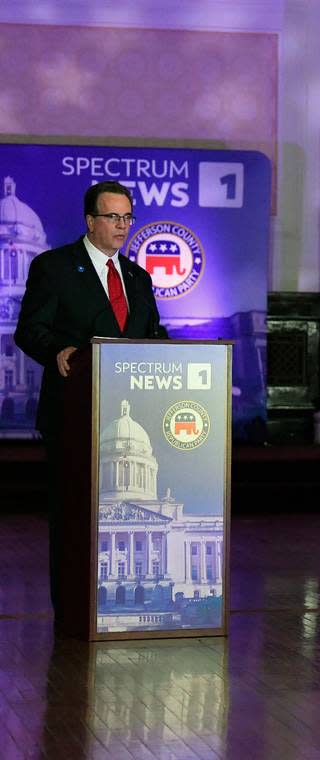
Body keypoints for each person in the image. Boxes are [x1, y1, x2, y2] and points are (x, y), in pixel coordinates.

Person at [14, 180, 166, 613]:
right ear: (90, 221)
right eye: (113, 217)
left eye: (128, 218)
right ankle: (73, 609)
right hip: (75, 414)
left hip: (129, 409)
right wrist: (56, 350)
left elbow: (152, 337)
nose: (122, 226)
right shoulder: (55, 266)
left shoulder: (138, 277)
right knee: (74, 517)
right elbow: (30, 330)